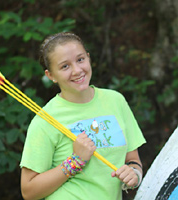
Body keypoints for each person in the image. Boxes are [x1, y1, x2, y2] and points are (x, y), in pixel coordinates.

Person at [20, 32, 146, 200]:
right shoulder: (45, 120)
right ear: (50, 76)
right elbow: (28, 190)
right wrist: (75, 161)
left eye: (80, 60)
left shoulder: (116, 101)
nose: (77, 70)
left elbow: (133, 159)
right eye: (65, 66)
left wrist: (134, 175)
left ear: (88, 58)